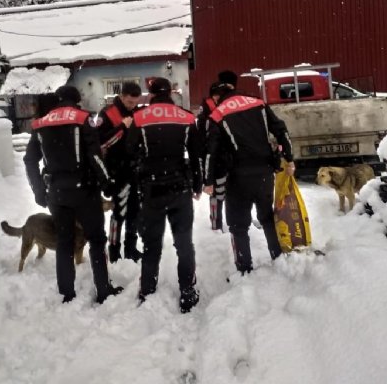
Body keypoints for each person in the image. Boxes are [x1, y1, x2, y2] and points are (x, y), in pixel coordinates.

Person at [23, 85, 122, 304]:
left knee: (64, 242)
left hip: (56, 193)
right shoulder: (83, 118)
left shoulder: (41, 123)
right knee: (96, 240)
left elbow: (29, 160)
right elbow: (95, 157)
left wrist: (39, 191)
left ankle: (66, 293)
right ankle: (103, 290)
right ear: (77, 101)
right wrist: (107, 184)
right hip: (85, 191)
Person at [204, 71, 295, 275]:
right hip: (264, 172)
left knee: (238, 225)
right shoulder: (257, 103)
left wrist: (208, 180)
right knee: (266, 216)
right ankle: (277, 256)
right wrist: (289, 157)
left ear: (218, 96)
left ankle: (244, 269)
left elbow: (211, 151)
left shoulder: (217, 114)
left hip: (238, 177)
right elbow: (281, 129)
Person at [125, 77, 203, 313]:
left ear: (150, 94)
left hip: (152, 189)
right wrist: (197, 184)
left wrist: (140, 173)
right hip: (180, 188)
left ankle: (147, 290)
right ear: (171, 92)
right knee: (184, 244)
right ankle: (187, 293)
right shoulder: (186, 116)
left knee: (152, 244)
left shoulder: (140, 118)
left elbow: (129, 152)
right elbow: (197, 154)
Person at [97, 81, 143, 263]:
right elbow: (101, 143)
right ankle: (114, 250)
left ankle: (131, 248)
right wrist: (122, 127)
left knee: (135, 210)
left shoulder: (138, 112)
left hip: (135, 169)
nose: (133, 105)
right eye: (130, 102)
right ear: (122, 96)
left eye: (135, 102)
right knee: (118, 212)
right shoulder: (107, 114)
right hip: (116, 170)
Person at [196, 82, 226, 230]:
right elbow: (201, 134)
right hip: (212, 155)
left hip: (225, 156)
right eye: (217, 96)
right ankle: (216, 224)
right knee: (216, 193)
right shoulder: (205, 111)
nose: (219, 99)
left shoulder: (223, 106)